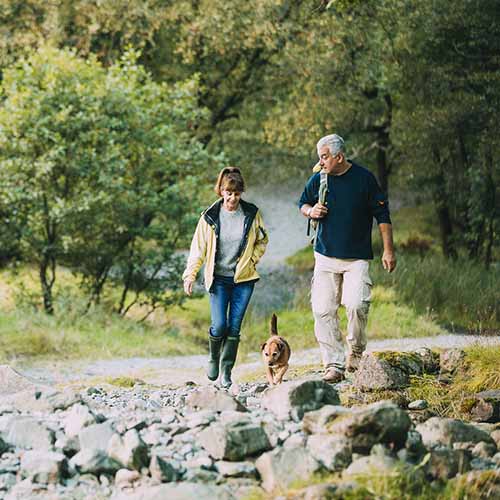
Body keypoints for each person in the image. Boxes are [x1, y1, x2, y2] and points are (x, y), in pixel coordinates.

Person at [299, 134, 396, 383]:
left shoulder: (364, 179)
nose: (320, 163)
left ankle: (355, 351)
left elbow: (382, 215)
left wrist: (388, 250)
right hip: (324, 255)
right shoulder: (319, 179)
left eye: (324, 157)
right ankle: (333, 363)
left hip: (356, 259)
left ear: (339, 157)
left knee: (356, 306)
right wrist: (312, 211)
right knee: (322, 310)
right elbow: (302, 203)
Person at [182, 167, 268, 388]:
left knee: (234, 327)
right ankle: (213, 357)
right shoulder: (209, 217)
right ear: (221, 191)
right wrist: (190, 275)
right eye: (228, 193)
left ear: (241, 193)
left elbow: (262, 240)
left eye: (237, 194)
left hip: (243, 279)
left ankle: (227, 371)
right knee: (219, 325)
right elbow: (197, 248)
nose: (232, 198)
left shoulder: (251, 213)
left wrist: (252, 260)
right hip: (218, 279)